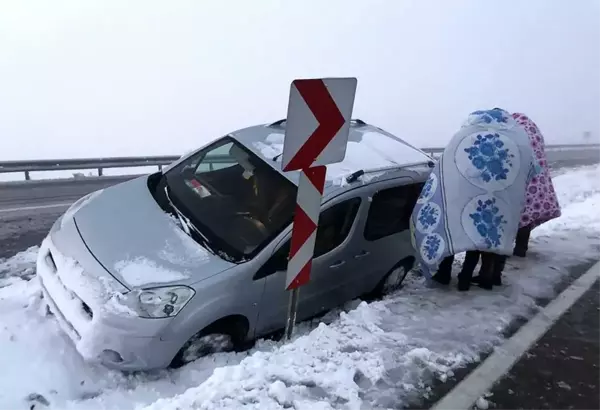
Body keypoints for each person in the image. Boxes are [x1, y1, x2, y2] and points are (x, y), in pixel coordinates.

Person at [409, 108, 539, 291]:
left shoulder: (467, 133)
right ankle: (477, 276)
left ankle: (445, 272)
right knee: (484, 234)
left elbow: (448, 164)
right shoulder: (519, 139)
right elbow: (532, 168)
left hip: (463, 192)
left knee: (452, 223)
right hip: (500, 197)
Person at [511, 112, 561, 257]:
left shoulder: (515, 135)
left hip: (521, 181)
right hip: (536, 184)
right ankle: (521, 248)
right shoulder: (533, 133)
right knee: (528, 213)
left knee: (515, 215)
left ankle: (508, 249)